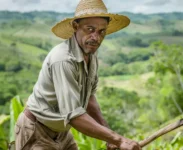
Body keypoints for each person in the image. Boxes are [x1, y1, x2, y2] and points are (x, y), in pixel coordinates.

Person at [15, 0, 141, 150]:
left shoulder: (90, 54)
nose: (96, 37)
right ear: (76, 27)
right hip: (37, 130)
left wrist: (110, 137)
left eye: (101, 31)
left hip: (61, 131)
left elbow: (89, 100)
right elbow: (74, 115)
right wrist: (120, 140)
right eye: (90, 29)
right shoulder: (63, 60)